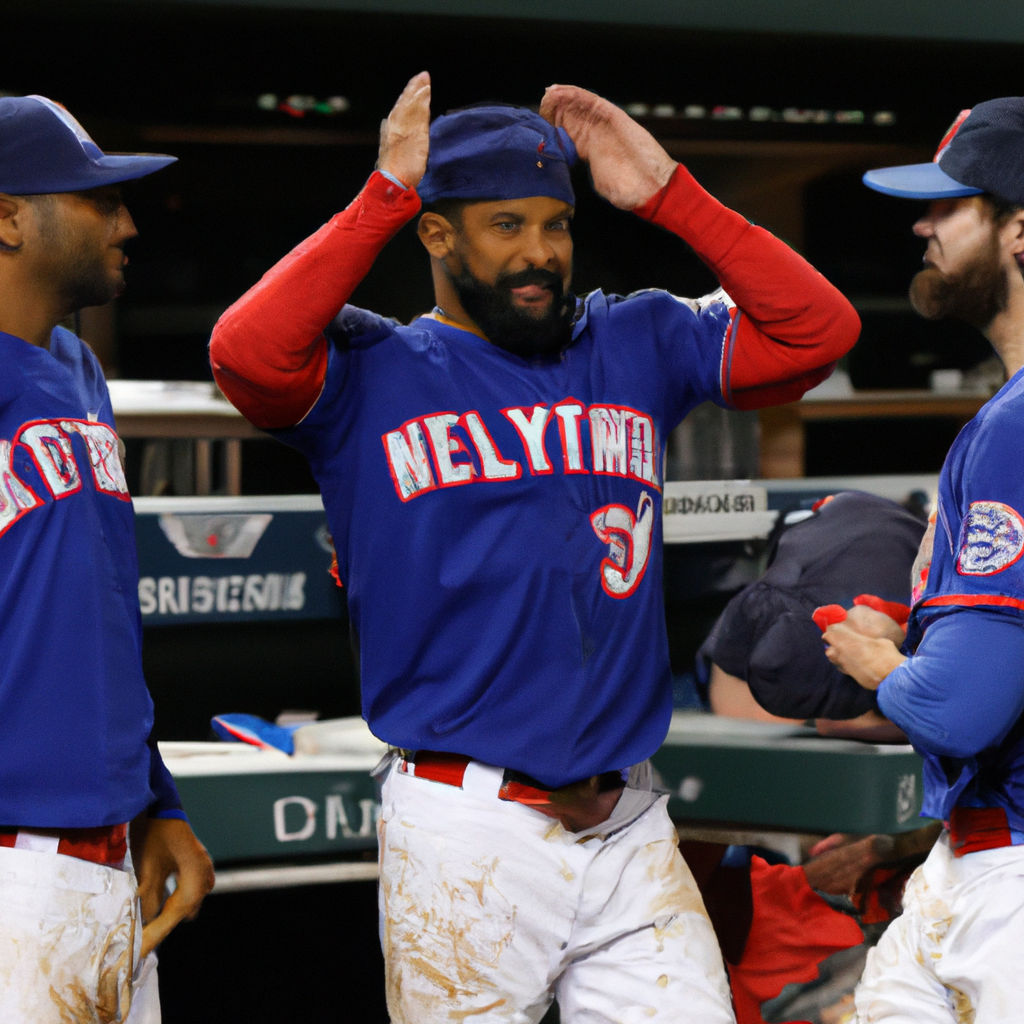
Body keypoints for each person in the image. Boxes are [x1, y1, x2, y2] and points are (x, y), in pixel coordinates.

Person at [210, 72, 859, 1023]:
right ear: (438, 235)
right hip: (465, 827)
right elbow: (245, 352)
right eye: (505, 225)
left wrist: (670, 193)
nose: (541, 253)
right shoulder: (369, 370)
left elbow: (816, 333)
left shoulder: (633, 337)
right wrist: (384, 194)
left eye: (555, 224)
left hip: (630, 821)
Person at [0, 95, 214, 1022]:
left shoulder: (79, 372)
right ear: (8, 217)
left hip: (105, 860)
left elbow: (97, 621)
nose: (126, 220)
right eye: (96, 199)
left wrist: (154, 797)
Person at [822, 98, 1024, 1023]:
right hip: (971, 865)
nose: (922, 223)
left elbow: (961, 706)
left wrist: (881, 664)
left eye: (951, 205)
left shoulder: (1013, 429)